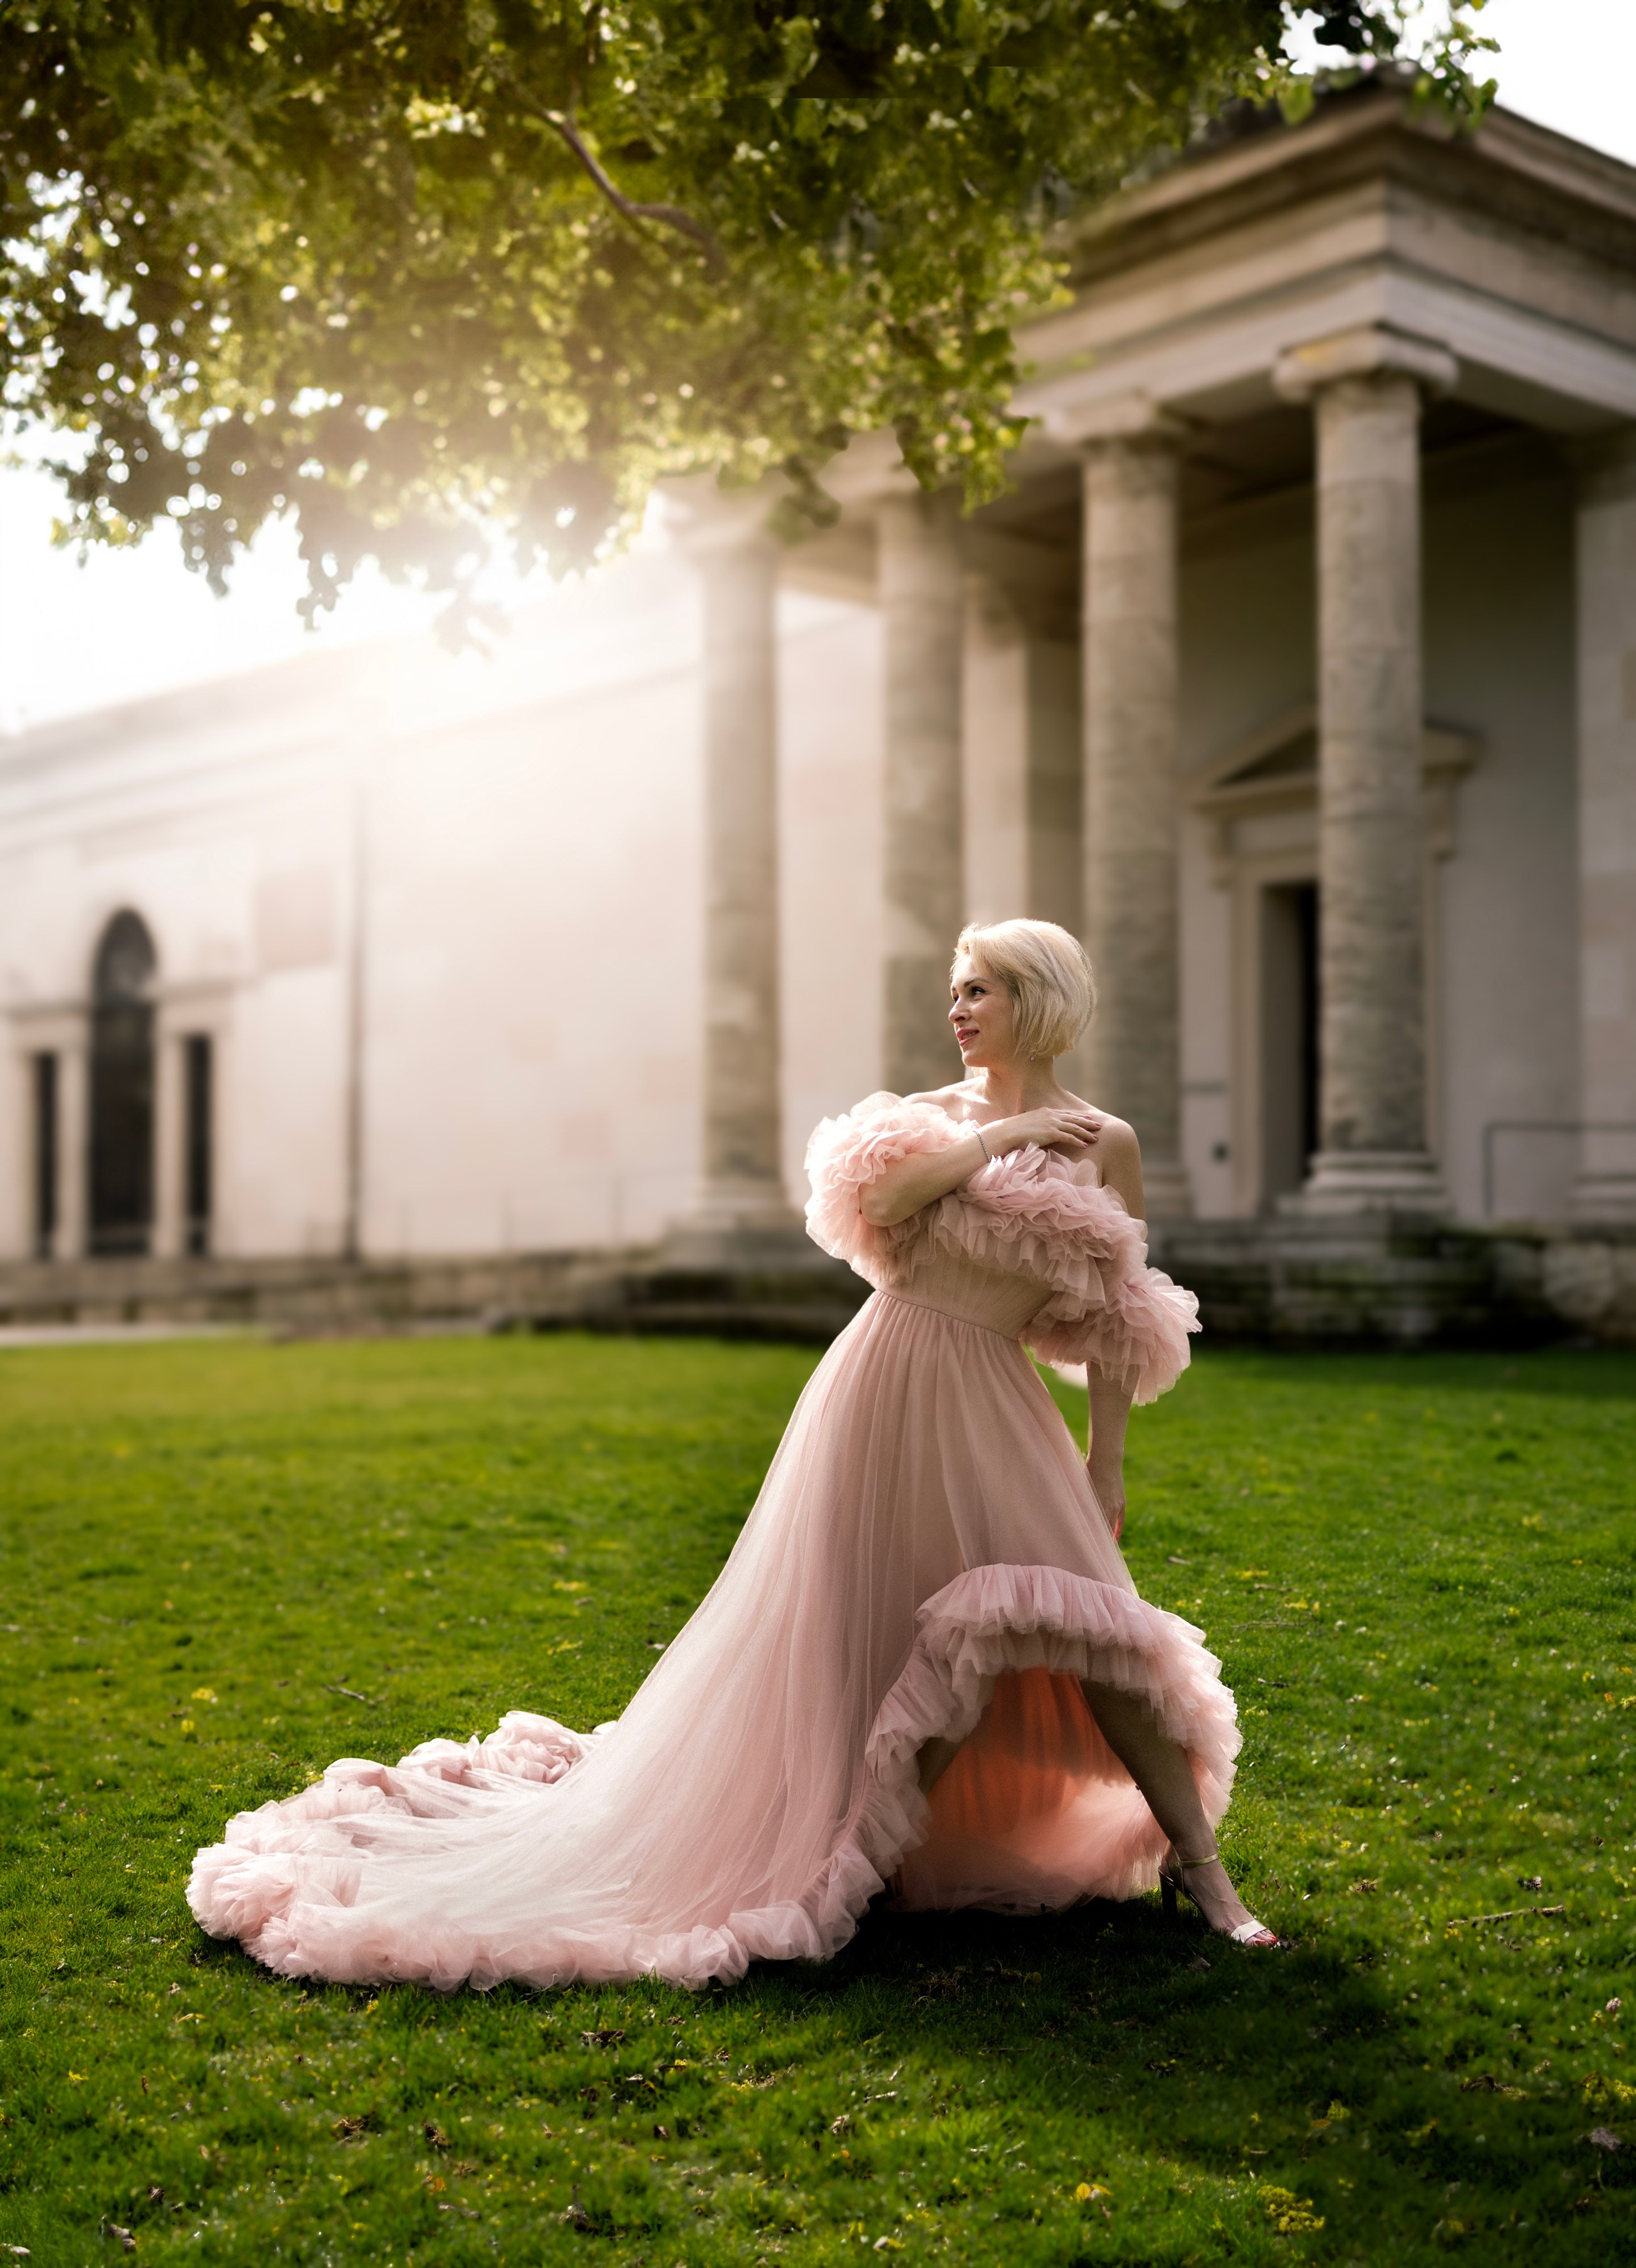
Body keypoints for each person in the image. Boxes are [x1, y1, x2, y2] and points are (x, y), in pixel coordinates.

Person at [189, 917, 1274, 1989]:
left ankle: (1206, 1875)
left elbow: (1124, 1323)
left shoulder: (1108, 1142)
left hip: (997, 1399)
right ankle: (852, 1858)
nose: (956, 1008)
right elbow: (884, 1206)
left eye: (980, 988)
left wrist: (1107, 1457)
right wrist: (992, 1140)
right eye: (956, 988)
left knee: (1101, 1626)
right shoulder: (922, 1122)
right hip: (882, 1387)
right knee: (873, 1626)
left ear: (1039, 998)